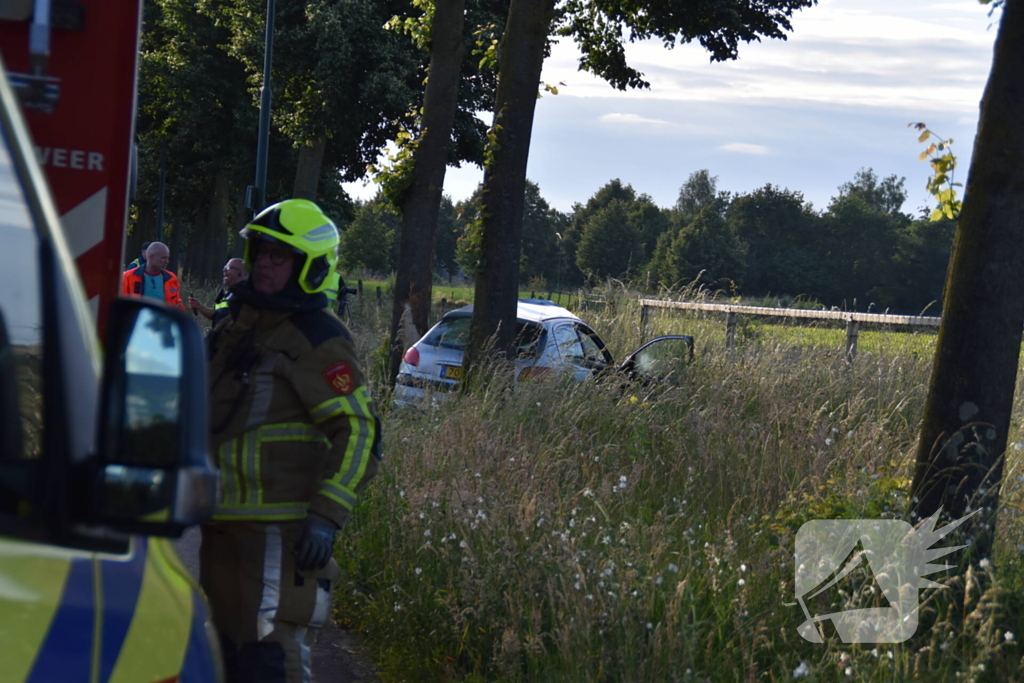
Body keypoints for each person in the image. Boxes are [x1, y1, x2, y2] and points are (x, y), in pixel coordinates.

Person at [201, 198, 382, 683]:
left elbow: (359, 429)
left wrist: (325, 517)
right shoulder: (235, 325)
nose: (264, 263)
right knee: (221, 656)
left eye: (279, 257)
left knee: (269, 656)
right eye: (262, 252)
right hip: (219, 524)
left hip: (277, 535)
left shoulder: (317, 338)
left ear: (311, 266)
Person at [120, 241, 185, 310]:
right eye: (163, 258)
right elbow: (122, 304)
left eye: (167, 258)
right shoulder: (129, 276)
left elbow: (177, 304)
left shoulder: (171, 278)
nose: (167, 261)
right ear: (151, 257)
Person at [189, 257, 247, 328]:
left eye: (228, 267)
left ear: (240, 273)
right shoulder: (227, 293)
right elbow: (215, 314)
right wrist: (198, 306)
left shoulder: (246, 294)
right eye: (224, 267)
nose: (224, 270)